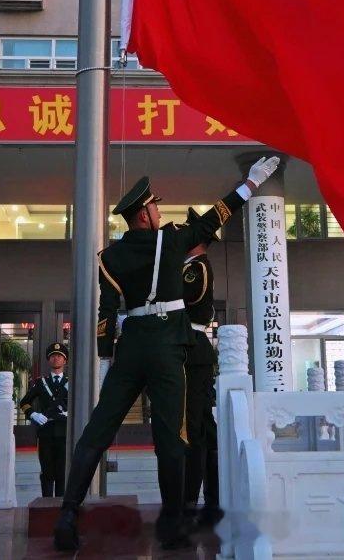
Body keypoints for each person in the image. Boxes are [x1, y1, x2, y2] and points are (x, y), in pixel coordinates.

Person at [53, 156, 280, 552]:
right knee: (171, 437)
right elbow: (213, 218)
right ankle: (172, 524)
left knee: (98, 430)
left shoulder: (109, 257)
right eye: (155, 207)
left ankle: (68, 514)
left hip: (130, 348)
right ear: (144, 214)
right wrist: (251, 184)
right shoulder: (171, 240)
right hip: (167, 347)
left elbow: (106, 314)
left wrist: (106, 357)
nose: (159, 212)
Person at [180, 208, 223, 529]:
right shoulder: (191, 266)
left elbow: (178, 299)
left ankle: (189, 502)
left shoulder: (195, 268)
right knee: (203, 429)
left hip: (192, 351)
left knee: (192, 429)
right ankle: (210, 500)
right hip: (194, 350)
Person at [18, 341, 71, 497]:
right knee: (47, 470)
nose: (56, 358)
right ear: (49, 360)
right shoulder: (41, 383)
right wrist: (34, 414)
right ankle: (46, 503)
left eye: (59, 356)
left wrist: (71, 413)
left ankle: (61, 502)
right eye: (53, 356)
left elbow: (81, 402)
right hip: (45, 432)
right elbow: (24, 403)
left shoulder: (71, 382)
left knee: (62, 471)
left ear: (65, 360)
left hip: (64, 432)